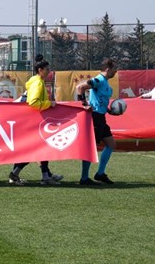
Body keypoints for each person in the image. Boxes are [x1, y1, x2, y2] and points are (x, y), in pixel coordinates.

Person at [9, 56, 63, 185]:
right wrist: (49, 104)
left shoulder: (36, 81)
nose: (49, 71)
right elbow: (33, 102)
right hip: (34, 121)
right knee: (36, 149)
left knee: (39, 149)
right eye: (47, 69)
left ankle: (44, 175)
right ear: (40, 70)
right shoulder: (38, 83)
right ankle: (18, 174)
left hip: (34, 120)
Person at [76, 58, 119, 185]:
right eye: (114, 69)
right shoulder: (98, 80)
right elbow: (80, 87)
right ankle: (84, 178)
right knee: (90, 148)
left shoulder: (105, 84)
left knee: (111, 144)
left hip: (101, 118)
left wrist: (109, 110)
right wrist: (84, 103)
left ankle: (100, 174)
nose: (116, 72)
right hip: (94, 118)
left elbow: (100, 101)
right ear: (108, 69)